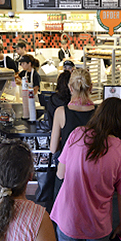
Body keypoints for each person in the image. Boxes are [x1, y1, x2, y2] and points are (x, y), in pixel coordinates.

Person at [50, 97, 121, 241]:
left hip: (68, 214)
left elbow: (60, 174)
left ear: (99, 114)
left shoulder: (77, 133)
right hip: (98, 220)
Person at [49, 69, 96, 211]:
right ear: (91, 87)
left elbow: (53, 148)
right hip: (92, 170)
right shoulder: (99, 112)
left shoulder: (61, 112)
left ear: (70, 88)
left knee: (64, 212)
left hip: (67, 171)